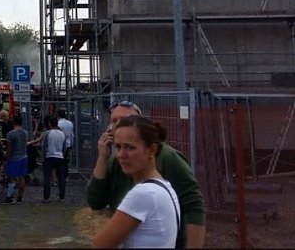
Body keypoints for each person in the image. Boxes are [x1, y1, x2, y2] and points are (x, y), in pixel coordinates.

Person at [87, 101, 206, 248]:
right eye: (114, 120)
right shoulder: (115, 161)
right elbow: (95, 201)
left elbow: (194, 205)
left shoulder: (166, 160)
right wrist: (102, 157)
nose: (119, 125)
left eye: (126, 120)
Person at [92, 115, 181, 248]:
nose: (121, 155)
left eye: (129, 147)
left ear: (152, 150)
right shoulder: (164, 187)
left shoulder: (144, 193)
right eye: (118, 147)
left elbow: (100, 245)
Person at [4, 114, 29, 204]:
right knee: (22, 177)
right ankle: (20, 197)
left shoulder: (11, 134)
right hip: (24, 157)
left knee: (11, 178)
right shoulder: (25, 133)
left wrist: (6, 159)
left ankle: (9, 196)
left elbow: (9, 149)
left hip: (14, 158)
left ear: (14, 122)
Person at [41, 116, 66, 203]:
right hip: (60, 156)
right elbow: (64, 147)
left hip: (49, 156)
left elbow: (44, 146)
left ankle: (46, 197)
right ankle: (62, 197)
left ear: (49, 124)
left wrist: (43, 156)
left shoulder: (47, 133)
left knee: (47, 178)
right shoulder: (62, 134)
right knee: (61, 178)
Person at [57, 108, 75, 180]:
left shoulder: (58, 123)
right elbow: (71, 134)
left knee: (59, 160)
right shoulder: (70, 123)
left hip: (60, 144)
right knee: (65, 160)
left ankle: (60, 175)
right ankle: (66, 175)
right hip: (68, 143)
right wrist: (72, 143)